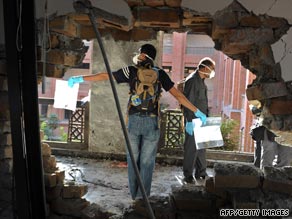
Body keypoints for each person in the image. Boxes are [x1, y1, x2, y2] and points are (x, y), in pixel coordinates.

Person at [67, 43, 207, 200]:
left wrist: (80, 78)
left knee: (133, 160)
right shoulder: (160, 74)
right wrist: (197, 111)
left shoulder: (131, 71)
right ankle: (142, 198)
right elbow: (179, 96)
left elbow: (104, 76)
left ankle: (134, 196)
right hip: (152, 122)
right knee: (147, 162)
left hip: (134, 121)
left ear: (142, 55)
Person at [181, 57, 215, 183]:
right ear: (205, 68)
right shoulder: (192, 80)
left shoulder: (201, 81)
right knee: (191, 148)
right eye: (212, 69)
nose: (212, 72)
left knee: (201, 147)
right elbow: (187, 102)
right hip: (193, 120)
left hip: (202, 119)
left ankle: (201, 172)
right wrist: (189, 121)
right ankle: (188, 174)